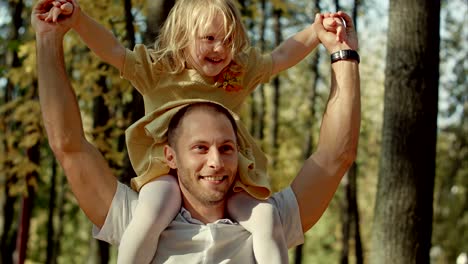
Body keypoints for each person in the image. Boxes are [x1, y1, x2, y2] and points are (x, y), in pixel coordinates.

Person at [33, 0, 360, 261]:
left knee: (264, 218)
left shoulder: (237, 74)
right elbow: (70, 143)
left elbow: (334, 153)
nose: (220, 49)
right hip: (158, 179)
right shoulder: (159, 70)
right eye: (200, 148)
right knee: (149, 213)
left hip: (241, 197)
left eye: (226, 147)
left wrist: (324, 39)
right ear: (172, 154)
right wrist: (73, 24)